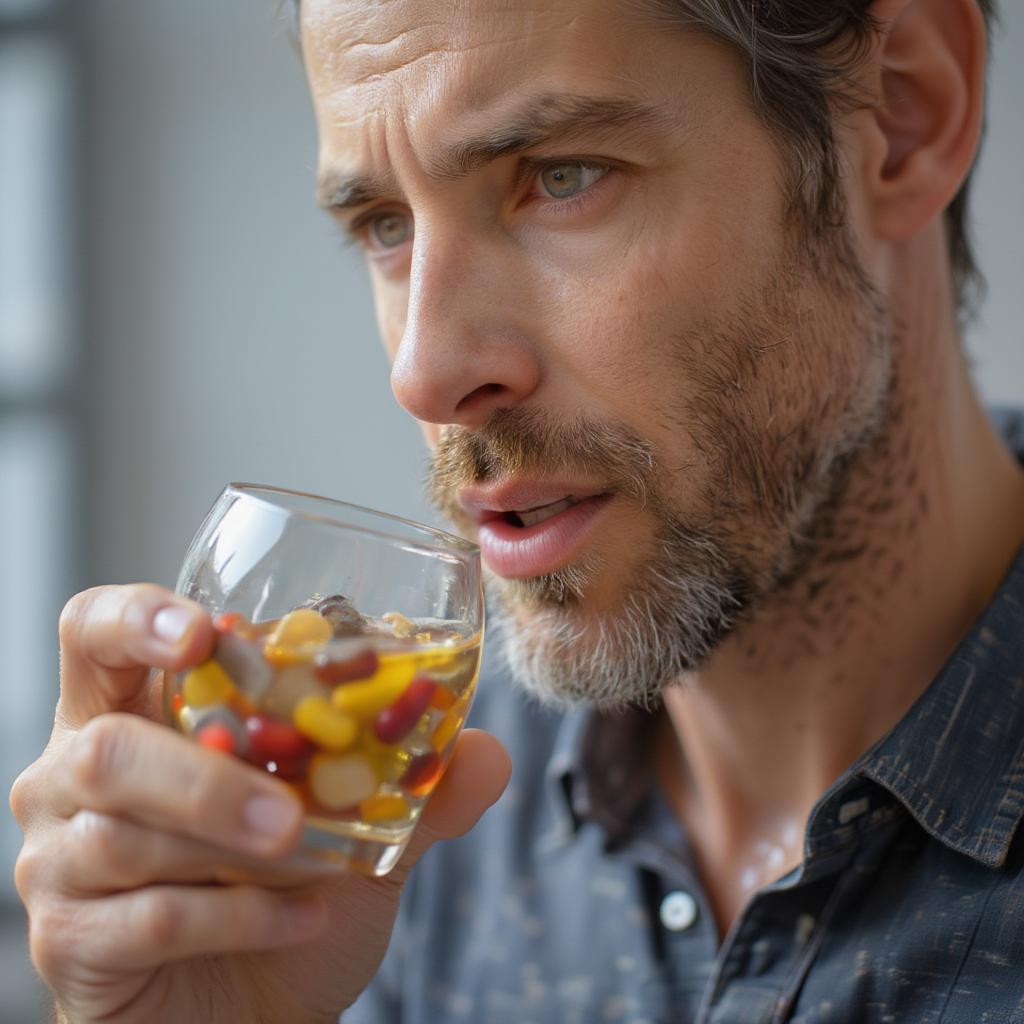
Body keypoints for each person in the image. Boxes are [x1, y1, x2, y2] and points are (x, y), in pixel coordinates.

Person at [9, 0, 1024, 1019]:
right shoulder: (404, 836)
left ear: (903, 112)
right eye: (385, 225)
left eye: (561, 176)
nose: (426, 372)